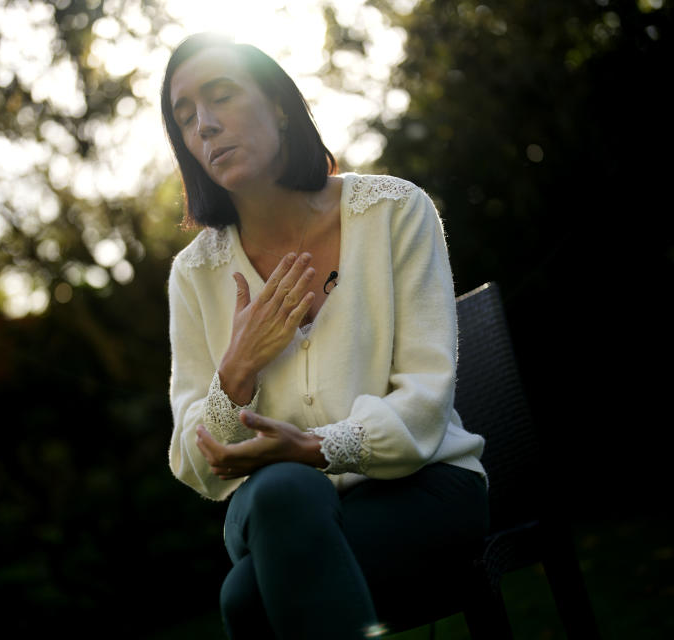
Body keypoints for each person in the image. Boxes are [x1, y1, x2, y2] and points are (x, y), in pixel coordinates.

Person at [162, 32, 489, 639]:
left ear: (281, 107)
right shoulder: (194, 275)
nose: (204, 125)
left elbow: (423, 402)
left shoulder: (394, 212)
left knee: (248, 599)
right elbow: (196, 465)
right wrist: (237, 371)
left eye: (222, 96)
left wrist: (315, 449)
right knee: (284, 492)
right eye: (185, 117)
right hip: (268, 507)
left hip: (420, 490)